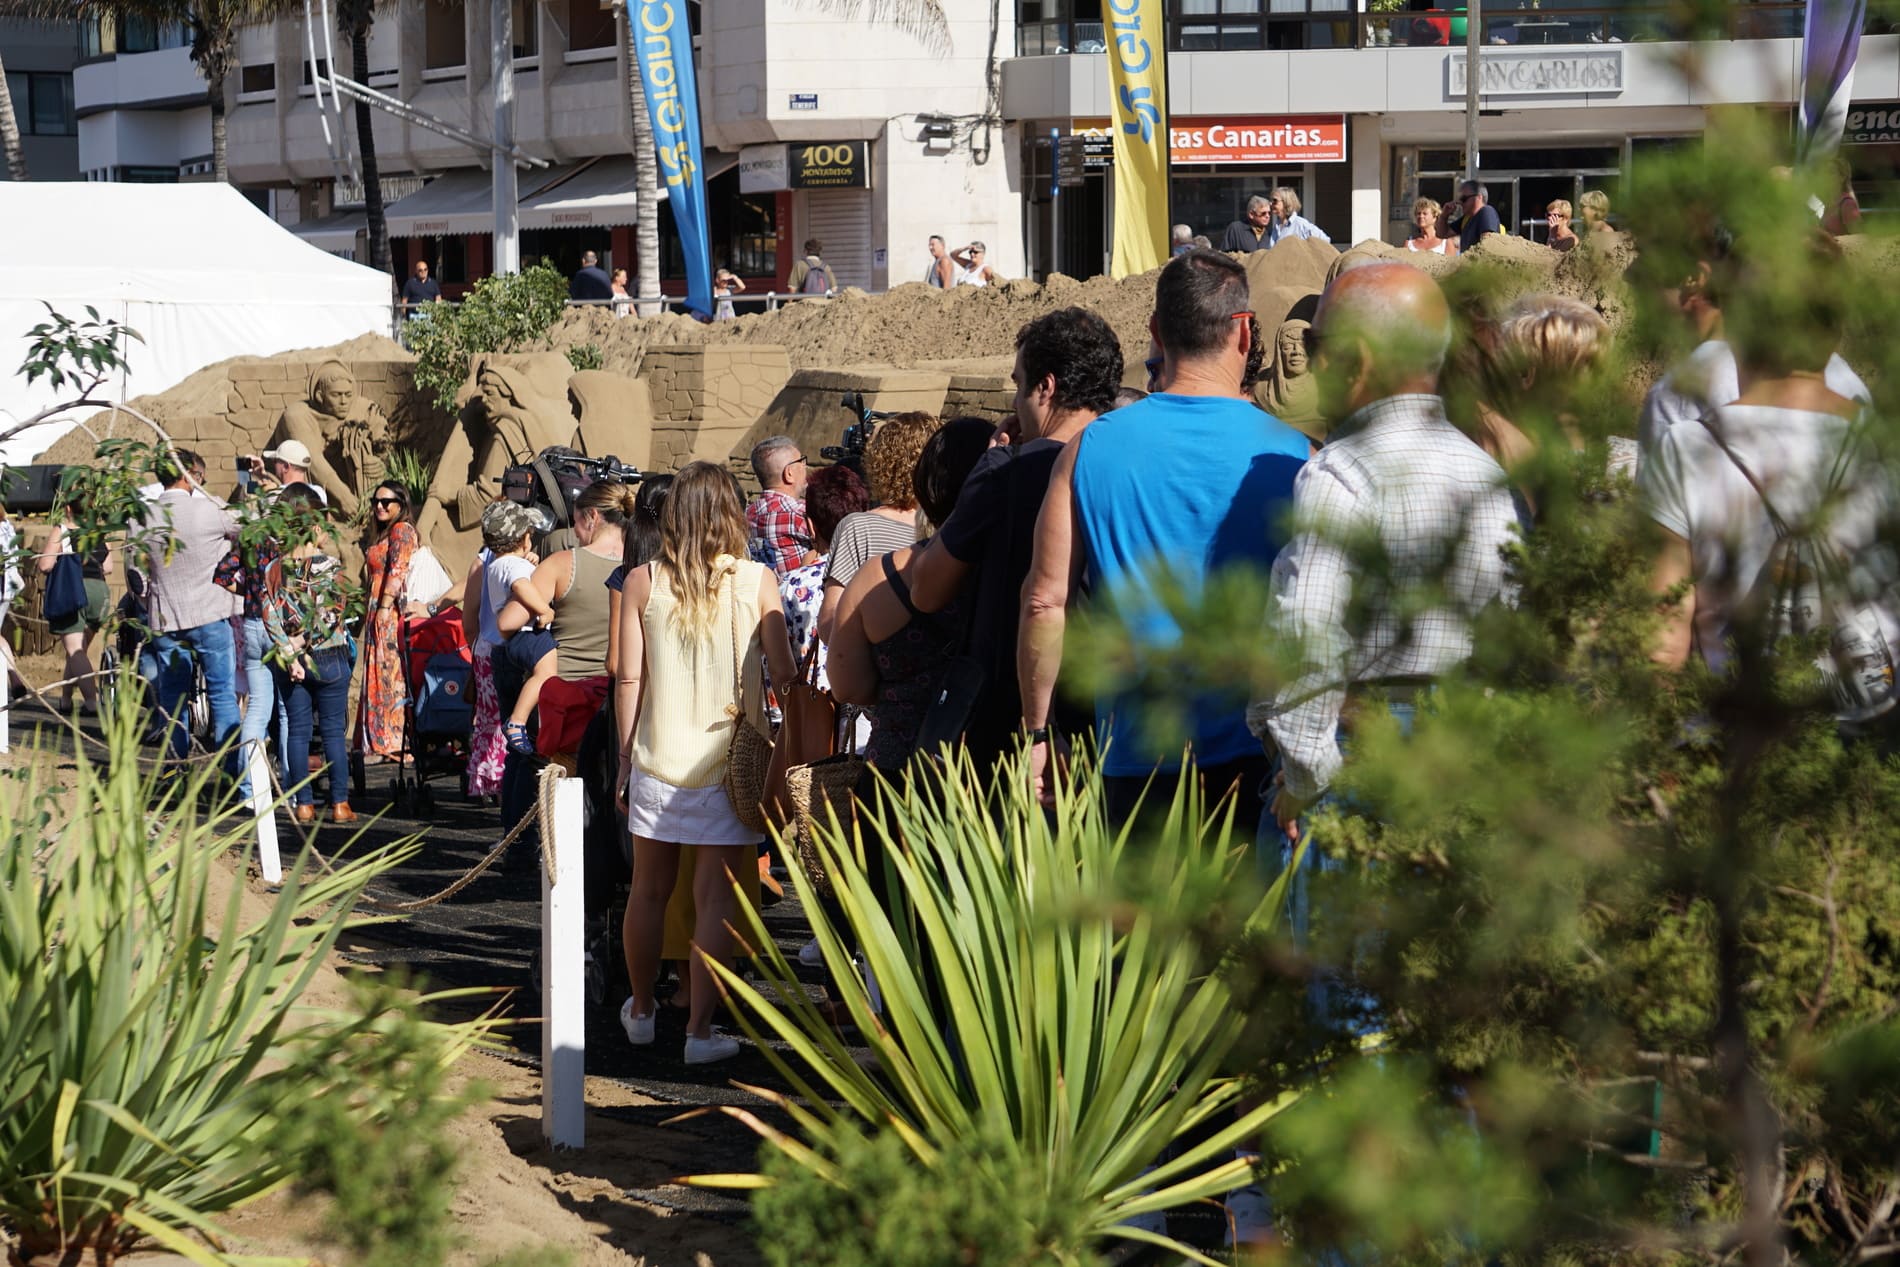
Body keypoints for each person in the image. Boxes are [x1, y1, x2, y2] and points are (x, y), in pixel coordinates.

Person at [1018, 249, 1311, 824]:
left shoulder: (1088, 451)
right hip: (1259, 760)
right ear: (1244, 334)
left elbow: (1044, 602)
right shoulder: (1299, 457)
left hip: (1134, 758)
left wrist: (1038, 732)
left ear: (1155, 332)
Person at [1248, 262, 1518, 842]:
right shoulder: (1486, 473)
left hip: (1354, 759)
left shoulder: (1341, 473)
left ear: (1357, 360)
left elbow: (1306, 635)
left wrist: (1303, 777)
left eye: (1317, 342)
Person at [1642, 233, 1894, 700]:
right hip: (1870, 750)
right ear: (1837, 327)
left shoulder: (1686, 450)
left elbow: (1661, 644)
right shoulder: (1886, 449)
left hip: (1739, 748)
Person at [614, 462, 799, 1065]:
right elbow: (784, 675)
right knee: (716, 900)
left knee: (648, 891)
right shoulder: (756, 580)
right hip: (729, 763)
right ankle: (698, 1032)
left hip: (657, 757)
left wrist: (624, 756)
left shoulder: (643, 580)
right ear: (730, 512)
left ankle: (641, 1010)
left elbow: (629, 678)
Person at [901, 307, 1125, 772]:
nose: (1016, 401)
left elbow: (926, 590)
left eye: (1018, 383)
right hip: (1118, 722)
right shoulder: (1135, 465)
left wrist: (991, 468)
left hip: (1017, 733)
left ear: (1046, 387)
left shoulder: (1007, 471)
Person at [828, 419, 996, 772]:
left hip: (897, 767)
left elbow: (847, 686)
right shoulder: (1024, 569)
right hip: (993, 774)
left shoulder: (878, 577)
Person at [1639, 228, 1869, 448]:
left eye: (1649, 272)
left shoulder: (1674, 397)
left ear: (1695, 279)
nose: (1632, 280)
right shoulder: (1853, 388)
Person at [495, 480, 635, 751]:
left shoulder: (562, 564)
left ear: (592, 516)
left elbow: (506, 623)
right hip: (618, 700)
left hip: (564, 701)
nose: (576, 534)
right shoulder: (642, 567)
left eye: (576, 523)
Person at [137, 449, 241, 773]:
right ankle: (233, 773)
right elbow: (247, 529)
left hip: (166, 618)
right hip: (210, 614)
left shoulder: (141, 516)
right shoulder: (209, 509)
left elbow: (135, 578)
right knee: (223, 694)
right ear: (189, 474)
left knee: (172, 699)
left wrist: (149, 602)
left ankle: (173, 772)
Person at [264, 484, 356, 823]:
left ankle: (303, 804)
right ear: (315, 527)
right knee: (332, 731)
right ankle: (340, 804)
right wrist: (305, 642)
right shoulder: (329, 566)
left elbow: (268, 614)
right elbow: (333, 615)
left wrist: (288, 651)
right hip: (328, 656)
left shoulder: (273, 569)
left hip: (289, 661)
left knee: (298, 731)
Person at [816, 412, 941, 641]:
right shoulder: (949, 528)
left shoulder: (858, 528)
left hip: (874, 667)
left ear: (880, 462)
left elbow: (829, 623)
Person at [469, 501, 545, 803]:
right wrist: (544, 609)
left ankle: (490, 782)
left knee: (497, 731)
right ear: (523, 537)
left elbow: (470, 613)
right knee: (517, 723)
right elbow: (523, 587)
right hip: (515, 642)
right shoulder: (513, 566)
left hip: (490, 647)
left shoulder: (491, 562)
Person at [780, 464, 871, 694]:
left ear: (810, 525)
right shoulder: (880, 575)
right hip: (870, 713)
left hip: (812, 715)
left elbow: (777, 669)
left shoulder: (792, 586)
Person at [360, 481, 418, 763]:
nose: (380, 506)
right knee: (378, 674)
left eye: (387, 501)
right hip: (377, 611)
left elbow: (398, 570)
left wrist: (384, 607)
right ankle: (381, 739)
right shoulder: (384, 533)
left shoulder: (402, 530)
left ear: (401, 504)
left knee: (390, 674)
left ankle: (396, 742)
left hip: (390, 612)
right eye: (376, 501)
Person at [37, 503, 112, 713]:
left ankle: (91, 702)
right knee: (78, 651)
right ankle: (66, 699)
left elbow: (45, 565)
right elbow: (108, 567)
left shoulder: (61, 531)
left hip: (75, 591)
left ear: (68, 508)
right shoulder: (97, 532)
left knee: (75, 651)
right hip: (100, 592)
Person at [745, 435, 813, 577]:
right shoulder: (800, 513)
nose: (805, 466)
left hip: (766, 594)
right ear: (789, 473)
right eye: (801, 461)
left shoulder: (746, 515)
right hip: (801, 595)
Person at [1265, 187, 1330, 245]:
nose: (1271, 203)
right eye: (1270, 200)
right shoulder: (1277, 226)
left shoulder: (1300, 224)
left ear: (1286, 202)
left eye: (1274, 201)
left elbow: (1325, 240)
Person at [1455, 180, 1503, 251]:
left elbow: (1487, 245)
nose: (1460, 203)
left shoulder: (1486, 212)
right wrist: (1444, 215)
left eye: (1463, 199)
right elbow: (1442, 233)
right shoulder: (1467, 219)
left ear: (1479, 197)